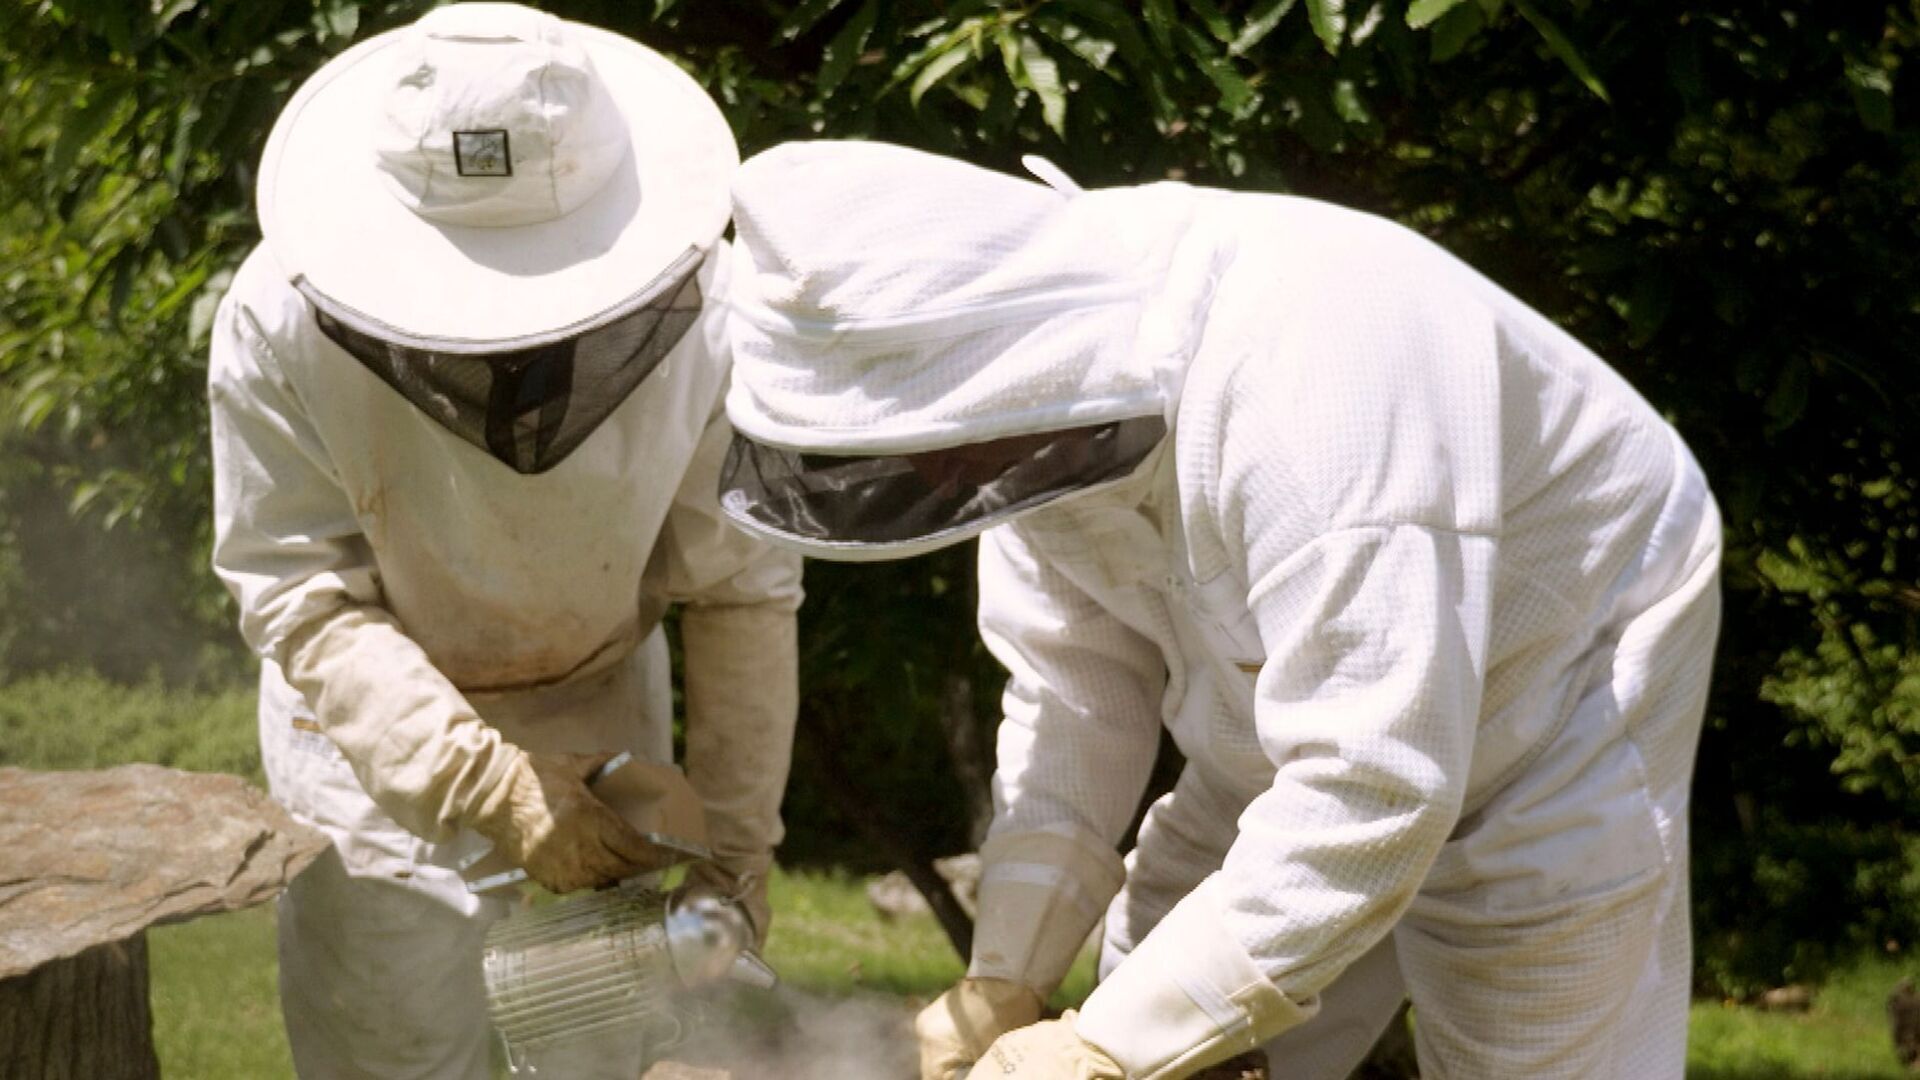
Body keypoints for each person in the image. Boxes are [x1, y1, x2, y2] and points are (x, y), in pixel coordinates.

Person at [716, 141, 1721, 1080]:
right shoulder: (1008, 391)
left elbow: (1375, 788)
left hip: (1559, 671)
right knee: (1169, 1006)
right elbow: (1076, 692)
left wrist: (1106, 1051)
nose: (919, 477)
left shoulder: (1314, 394)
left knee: (1528, 1027)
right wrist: (1006, 979)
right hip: (1293, 713)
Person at [207, 6, 801, 1077]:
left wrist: (733, 863)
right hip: (369, 740)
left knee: (599, 1046)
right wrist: (494, 788)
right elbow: (302, 592)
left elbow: (741, 589)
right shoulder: (274, 320)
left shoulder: (711, 315)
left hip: (603, 705)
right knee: (394, 1049)